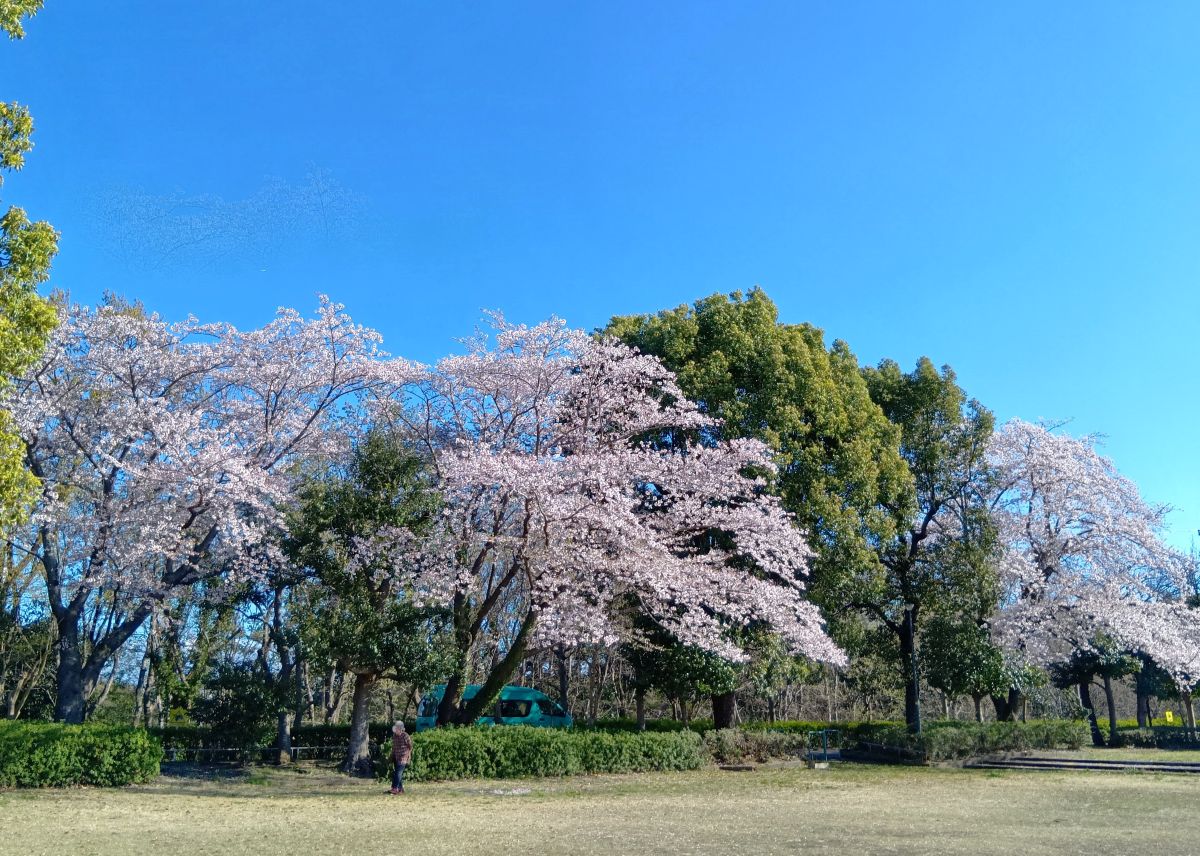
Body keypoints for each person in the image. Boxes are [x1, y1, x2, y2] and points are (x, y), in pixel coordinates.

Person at [390, 720, 413, 795]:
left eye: (397, 728)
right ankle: (400, 789)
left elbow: (410, 746)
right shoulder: (394, 736)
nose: (396, 730)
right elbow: (394, 747)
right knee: (397, 773)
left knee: (398, 773)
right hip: (396, 757)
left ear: (401, 729)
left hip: (403, 757)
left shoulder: (405, 736)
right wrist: (392, 756)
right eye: (395, 728)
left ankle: (395, 788)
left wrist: (408, 756)